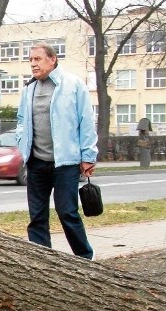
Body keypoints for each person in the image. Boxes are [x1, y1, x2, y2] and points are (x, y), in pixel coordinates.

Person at [16, 41, 98, 260]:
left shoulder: (72, 84)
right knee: (37, 216)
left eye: (38, 59)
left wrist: (88, 156)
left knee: (67, 213)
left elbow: (86, 121)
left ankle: (85, 258)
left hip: (65, 163)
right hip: (36, 162)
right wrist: (21, 140)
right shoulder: (29, 88)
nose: (33, 64)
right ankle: (43, 261)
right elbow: (22, 120)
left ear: (52, 60)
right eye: (31, 60)